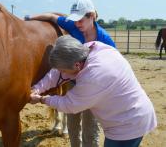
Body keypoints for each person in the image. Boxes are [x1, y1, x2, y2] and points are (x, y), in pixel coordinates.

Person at [29, 35, 157, 147]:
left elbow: (69, 105)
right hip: (129, 114)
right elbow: (56, 73)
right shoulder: (89, 49)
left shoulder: (92, 78)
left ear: (77, 66)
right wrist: (37, 88)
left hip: (128, 124)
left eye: (64, 71)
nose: (62, 73)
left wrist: (42, 99)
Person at [26, 0, 116, 147]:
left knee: (90, 129)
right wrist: (29, 18)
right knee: (72, 126)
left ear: (91, 16)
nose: (76, 23)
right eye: (75, 20)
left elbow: (114, 65)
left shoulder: (105, 39)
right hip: (73, 83)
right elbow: (51, 17)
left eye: (80, 20)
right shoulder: (74, 27)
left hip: (94, 87)